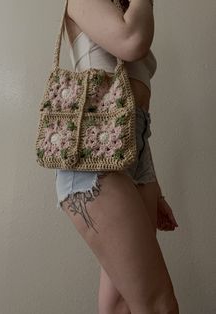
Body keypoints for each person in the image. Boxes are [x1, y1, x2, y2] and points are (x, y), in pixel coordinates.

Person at [55, 0, 179, 313]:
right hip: (93, 153)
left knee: (121, 304)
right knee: (159, 304)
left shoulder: (124, 7)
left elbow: (132, 114)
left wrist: (155, 186)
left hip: (134, 151)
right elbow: (131, 41)